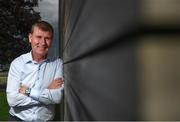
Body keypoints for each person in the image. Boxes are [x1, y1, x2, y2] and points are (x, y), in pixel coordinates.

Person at [6, 20, 64, 121]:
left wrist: (28, 91)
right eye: (39, 37)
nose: (42, 42)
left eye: (47, 38)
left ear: (51, 41)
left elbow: (57, 97)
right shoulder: (17, 64)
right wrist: (47, 91)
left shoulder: (57, 64)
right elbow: (12, 100)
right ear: (30, 38)